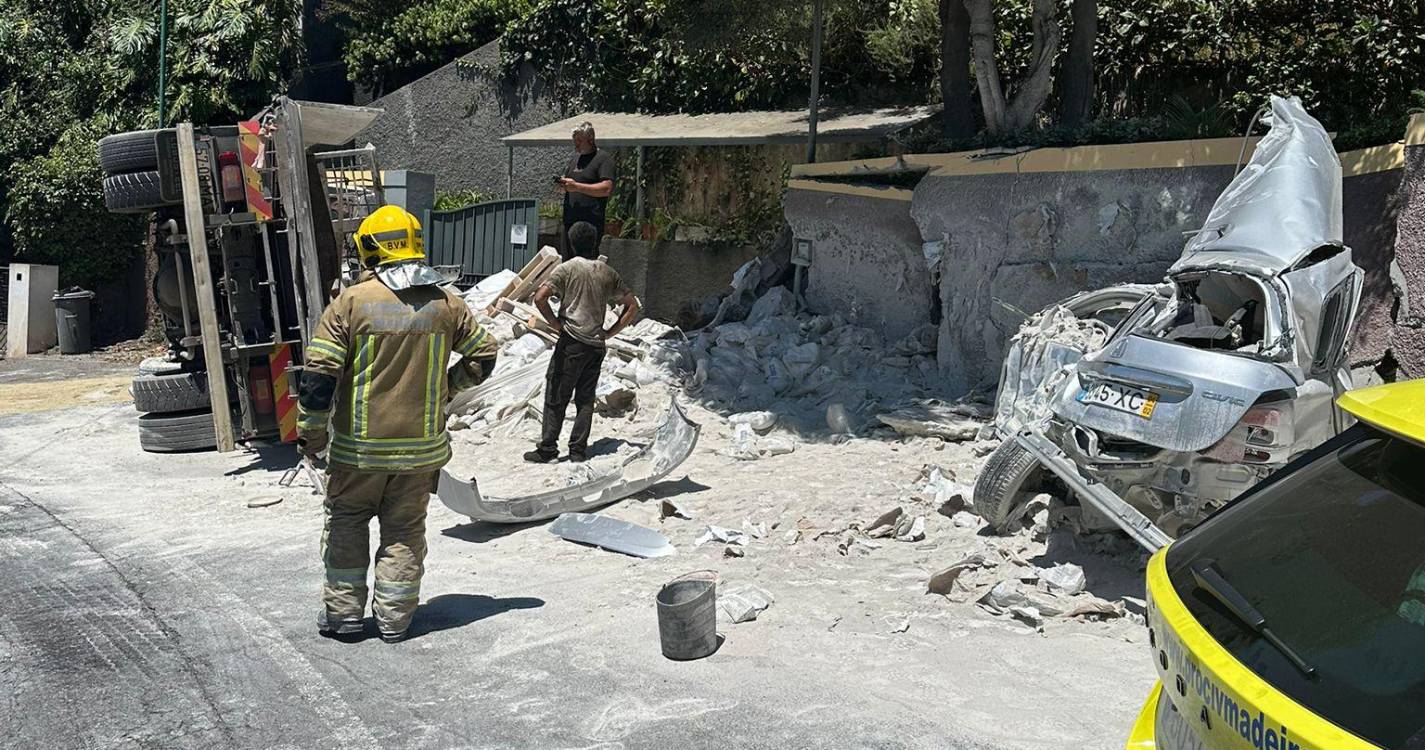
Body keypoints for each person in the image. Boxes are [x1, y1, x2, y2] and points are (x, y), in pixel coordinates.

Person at [297, 205, 498, 643]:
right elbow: (485, 355)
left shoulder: (351, 302)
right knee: (404, 532)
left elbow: (318, 378)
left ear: (368, 249)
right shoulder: (447, 304)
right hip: (420, 452)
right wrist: (447, 388)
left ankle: (345, 616)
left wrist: (311, 435)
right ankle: (395, 621)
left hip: (358, 453)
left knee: (348, 524)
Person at [525, 221, 641, 463]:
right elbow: (632, 305)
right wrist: (611, 332)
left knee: (557, 395)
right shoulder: (607, 272)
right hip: (596, 345)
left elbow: (540, 298)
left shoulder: (566, 269)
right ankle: (578, 450)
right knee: (585, 399)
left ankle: (548, 448)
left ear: (571, 242)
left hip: (572, 342)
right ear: (594, 242)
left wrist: (556, 324)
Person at [559, 122, 615, 259]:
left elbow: (606, 188)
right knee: (568, 265)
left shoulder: (603, 159)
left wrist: (577, 186)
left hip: (589, 225)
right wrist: (562, 186)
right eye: (574, 140)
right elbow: (569, 185)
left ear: (590, 139)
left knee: (586, 266)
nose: (576, 144)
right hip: (569, 224)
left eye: (579, 140)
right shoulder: (574, 160)